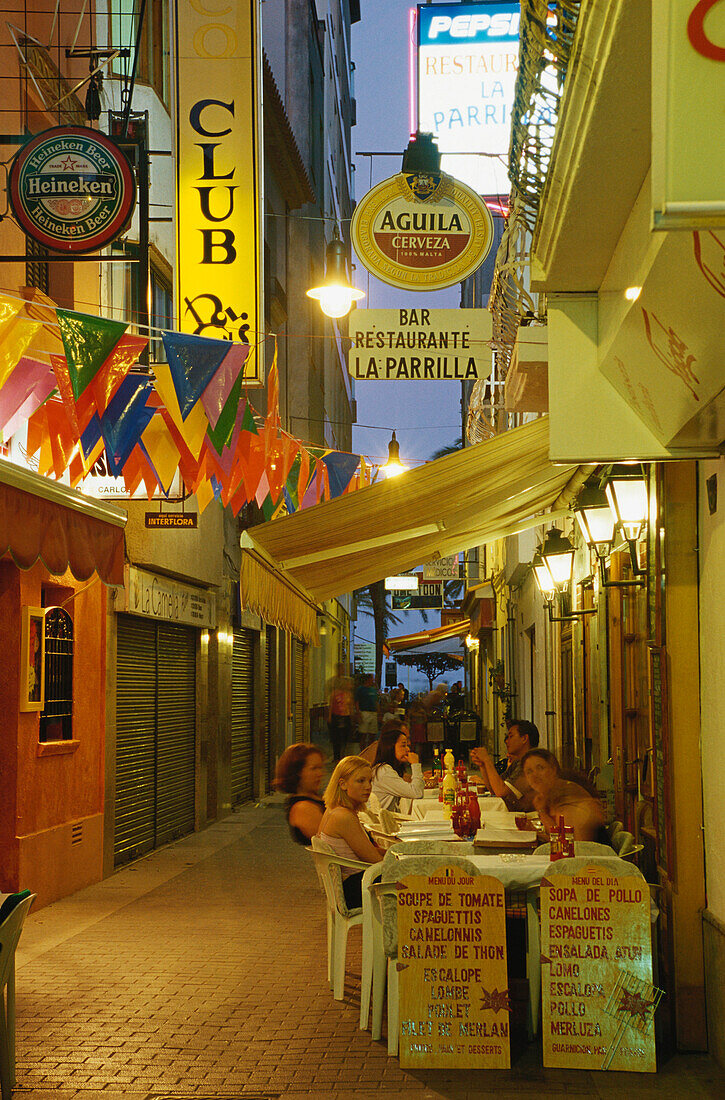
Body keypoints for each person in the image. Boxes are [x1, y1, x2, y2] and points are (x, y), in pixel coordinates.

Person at [317, 756, 385, 908]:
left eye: (370, 781)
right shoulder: (344, 817)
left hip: (353, 883)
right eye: (361, 781)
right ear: (342, 784)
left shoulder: (333, 809)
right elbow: (374, 859)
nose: (368, 787)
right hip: (356, 888)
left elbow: (371, 850)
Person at [521, 748, 607, 842]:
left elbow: (571, 844)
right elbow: (559, 836)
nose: (535, 775)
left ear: (553, 769)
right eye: (529, 772)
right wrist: (537, 833)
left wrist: (542, 812)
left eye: (540, 768)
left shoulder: (567, 793)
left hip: (595, 854)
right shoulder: (547, 795)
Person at [471, 718, 540, 812]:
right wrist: (483, 765)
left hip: (530, 819)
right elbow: (493, 789)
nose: (507, 741)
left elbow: (500, 791)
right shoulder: (517, 762)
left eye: (511, 736)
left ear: (524, 738)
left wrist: (487, 760)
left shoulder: (531, 764)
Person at [274, 743, 326, 845]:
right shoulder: (303, 808)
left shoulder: (313, 797)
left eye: (320, 767)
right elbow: (333, 842)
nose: (320, 773)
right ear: (297, 772)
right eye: (313, 768)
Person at [371, 721, 425, 812]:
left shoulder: (388, 768)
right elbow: (417, 793)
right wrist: (415, 765)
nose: (408, 749)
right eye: (403, 745)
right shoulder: (384, 771)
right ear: (390, 747)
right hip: (381, 823)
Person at [326, 662, 354, 762]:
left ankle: (342, 754)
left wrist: (351, 715)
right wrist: (329, 716)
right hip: (336, 715)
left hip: (345, 715)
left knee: (345, 736)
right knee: (336, 737)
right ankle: (337, 755)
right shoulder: (333, 687)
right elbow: (331, 703)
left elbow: (350, 704)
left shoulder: (348, 692)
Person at [355, 673, 379, 748]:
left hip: (373, 713)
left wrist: (378, 710)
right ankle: (363, 751)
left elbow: (376, 701)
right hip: (364, 712)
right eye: (372, 678)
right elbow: (357, 701)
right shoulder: (361, 689)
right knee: (363, 733)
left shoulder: (373, 689)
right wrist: (358, 712)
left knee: (373, 733)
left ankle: (370, 750)